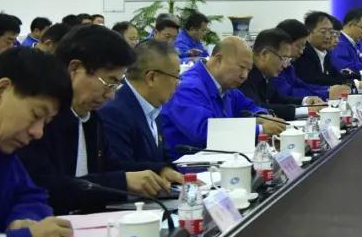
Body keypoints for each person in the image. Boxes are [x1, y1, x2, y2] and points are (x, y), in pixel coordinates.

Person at [19, 25, 174, 214]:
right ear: (75, 68)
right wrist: (122, 181)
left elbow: (109, 166)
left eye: (116, 85)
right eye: (109, 82)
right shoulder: (40, 121)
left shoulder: (91, 118)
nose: (111, 95)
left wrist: (159, 170)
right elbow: (47, 186)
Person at [0, 48, 75, 237]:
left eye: (46, 122)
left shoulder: (2, 149)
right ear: (0, 91)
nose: (38, 132)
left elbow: (31, 195)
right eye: (36, 114)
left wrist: (23, 218)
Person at [160, 36, 286, 154]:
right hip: (188, 164)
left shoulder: (226, 86)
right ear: (218, 59)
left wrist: (263, 117)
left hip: (221, 157)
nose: (245, 76)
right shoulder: (188, 87)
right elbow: (204, 132)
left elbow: (249, 107)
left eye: (248, 70)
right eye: (241, 67)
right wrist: (260, 130)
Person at [99, 40, 184, 185]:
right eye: (176, 77)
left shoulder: (152, 105)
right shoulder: (114, 112)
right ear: (152, 78)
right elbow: (121, 169)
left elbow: (163, 158)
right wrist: (161, 170)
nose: (178, 84)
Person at [239, 29, 324, 120]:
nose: (285, 65)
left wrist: (305, 101)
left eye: (288, 59)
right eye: (283, 58)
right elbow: (257, 107)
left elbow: (276, 99)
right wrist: (307, 111)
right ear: (264, 54)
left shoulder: (265, 73)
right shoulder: (245, 74)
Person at [274, 18, 352, 100]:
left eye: (330, 32)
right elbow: (287, 93)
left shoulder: (289, 65)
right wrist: (326, 93)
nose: (301, 51)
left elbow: (302, 85)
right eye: (299, 46)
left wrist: (328, 90)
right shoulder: (278, 65)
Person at [296, 12, 358, 88]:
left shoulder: (325, 53)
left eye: (331, 32)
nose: (328, 36)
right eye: (323, 32)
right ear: (309, 32)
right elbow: (316, 80)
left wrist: (354, 82)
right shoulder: (303, 53)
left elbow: (335, 75)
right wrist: (352, 84)